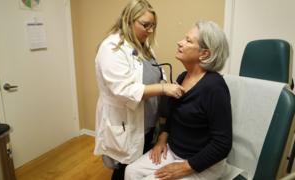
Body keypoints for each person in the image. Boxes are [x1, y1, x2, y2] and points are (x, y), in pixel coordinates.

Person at [124, 20, 232, 180]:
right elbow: (173, 117)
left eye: (188, 41)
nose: (180, 42)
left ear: (205, 54)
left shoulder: (215, 87)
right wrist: (161, 140)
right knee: (131, 172)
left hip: (202, 163)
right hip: (174, 151)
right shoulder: (183, 77)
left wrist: (185, 167)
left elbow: (223, 144)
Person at [94, 0, 185, 179]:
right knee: (123, 170)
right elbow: (123, 89)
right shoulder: (112, 48)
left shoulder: (144, 45)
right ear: (128, 20)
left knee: (136, 166)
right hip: (126, 122)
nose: (150, 31)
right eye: (146, 25)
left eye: (153, 26)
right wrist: (163, 88)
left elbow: (155, 74)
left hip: (147, 122)